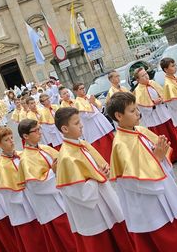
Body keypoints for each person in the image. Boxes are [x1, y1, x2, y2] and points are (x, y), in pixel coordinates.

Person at [107, 92, 177, 251]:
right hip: (152, 209)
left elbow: (160, 159)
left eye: (137, 108)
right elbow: (134, 183)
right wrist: (157, 159)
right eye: (132, 111)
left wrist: (162, 156)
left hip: (168, 197)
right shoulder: (121, 146)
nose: (138, 113)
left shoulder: (140, 130)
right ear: (119, 116)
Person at [54, 107, 134, 252]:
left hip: (104, 198)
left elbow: (99, 167)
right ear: (65, 129)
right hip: (93, 211)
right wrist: (97, 177)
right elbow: (78, 193)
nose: (81, 125)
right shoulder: (66, 157)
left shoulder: (82, 144)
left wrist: (102, 172)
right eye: (77, 123)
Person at [17, 119, 76, 252]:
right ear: (25, 136)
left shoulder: (44, 148)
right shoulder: (26, 159)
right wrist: (53, 172)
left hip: (62, 199)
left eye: (40, 129)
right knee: (67, 242)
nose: (40, 133)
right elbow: (35, 186)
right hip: (51, 207)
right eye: (36, 130)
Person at [0, 126, 47, 251]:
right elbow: (8, 195)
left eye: (11, 138)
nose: (11, 141)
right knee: (33, 243)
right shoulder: (1, 168)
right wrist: (26, 190)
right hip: (22, 211)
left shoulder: (23, 156)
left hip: (37, 204)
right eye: (6, 140)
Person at [133, 67, 177, 162]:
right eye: (142, 76)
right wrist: (152, 103)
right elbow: (142, 107)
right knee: (161, 138)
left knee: (172, 135)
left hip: (164, 114)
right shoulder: (138, 91)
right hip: (153, 119)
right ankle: (168, 157)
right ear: (138, 80)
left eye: (146, 73)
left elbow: (163, 95)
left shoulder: (153, 83)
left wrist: (162, 100)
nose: (146, 76)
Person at [72, 83, 115, 163]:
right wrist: (91, 103)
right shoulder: (77, 103)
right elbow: (87, 116)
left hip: (100, 123)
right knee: (102, 148)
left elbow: (100, 109)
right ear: (75, 91)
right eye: (80, 89)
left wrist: (94, 103)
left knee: (110, 142)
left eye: (83, 88)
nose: (83, 90)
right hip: (92, 128)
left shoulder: (89, 97)